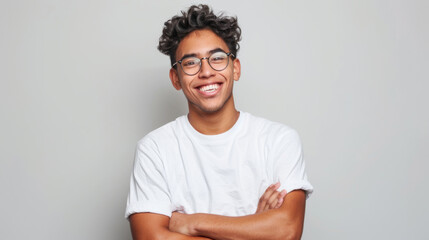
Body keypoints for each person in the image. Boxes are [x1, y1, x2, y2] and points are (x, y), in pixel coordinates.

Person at [125, 4, 313, 240]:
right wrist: (255, 230)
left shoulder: (279, 140)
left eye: (217, 58)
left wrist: (193, 223)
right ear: (176, 78)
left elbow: (287, 231)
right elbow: (150, 237)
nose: (206, 72)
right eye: (191, 63)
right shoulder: (154, 149)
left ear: (235, 68)